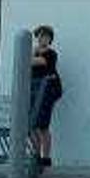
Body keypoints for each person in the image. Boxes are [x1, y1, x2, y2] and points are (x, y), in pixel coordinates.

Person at [30, 25, 63, 168]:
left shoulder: (51, 54)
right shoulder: (33, 52)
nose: (43, 39)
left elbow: (40, 62)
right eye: (41, 36)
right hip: (35, 91)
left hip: (48, 91)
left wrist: (31, 55)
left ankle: (46, 158)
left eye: (47, 37)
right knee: (32, 125)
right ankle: (36, 155)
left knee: (43, 125)